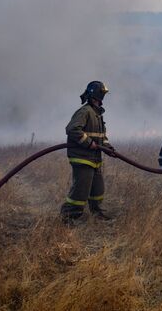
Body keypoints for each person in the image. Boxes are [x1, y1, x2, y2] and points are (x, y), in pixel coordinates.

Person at [60, 81, 116, 223]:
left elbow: (101, 137)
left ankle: (97, 213)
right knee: (80, 191)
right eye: (103, 94)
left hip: (94, 159)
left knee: (98, 190)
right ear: (97, 95)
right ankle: (69, 217)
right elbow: (72, 129)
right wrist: (88, 142)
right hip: (82, 158)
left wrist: (108, 147)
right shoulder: (85, 112)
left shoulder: (97, 114)